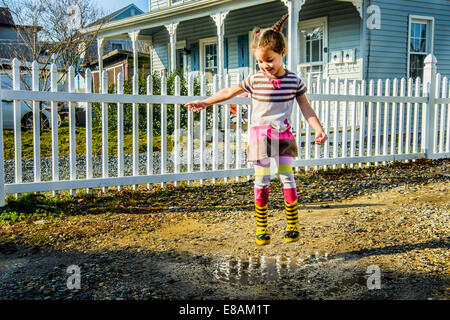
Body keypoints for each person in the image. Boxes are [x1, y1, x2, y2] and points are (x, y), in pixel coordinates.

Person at [185, 14, 328, 246]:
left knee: (286, 177)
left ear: (283, 54)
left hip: (283, 136)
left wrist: (318, 129)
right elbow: (230, 91)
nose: (265, 66)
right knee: (261, 180)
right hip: (260, 136)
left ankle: (292, 223)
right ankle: (262, 226)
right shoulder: (255, 79)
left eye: (269, 60)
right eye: (260, 62)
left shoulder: (294, 81)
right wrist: (205, 102)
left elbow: (306, 108)